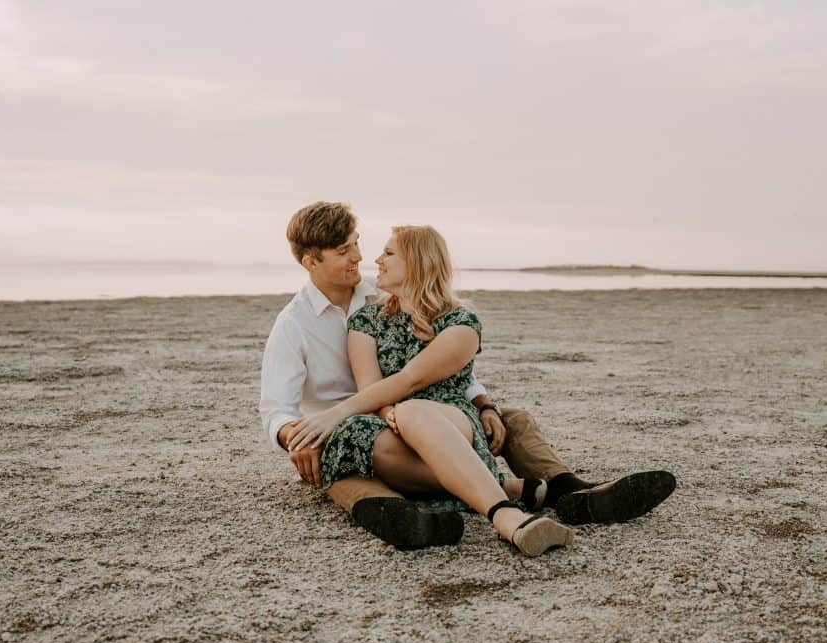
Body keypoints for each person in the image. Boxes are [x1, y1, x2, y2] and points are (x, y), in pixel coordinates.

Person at [260, 202, 675, 551]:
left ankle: (567, 488)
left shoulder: (382, 294)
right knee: (350, 461)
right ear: (311, 261)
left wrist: (484, 403)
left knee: (511, 420)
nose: (359, 257)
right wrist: (295, 436)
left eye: (357, 245)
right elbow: (276, 409)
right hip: (342, 428)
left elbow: (435, 369)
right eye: (342, 250)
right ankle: (485, 500)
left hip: (422, 412)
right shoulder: (294, 324)